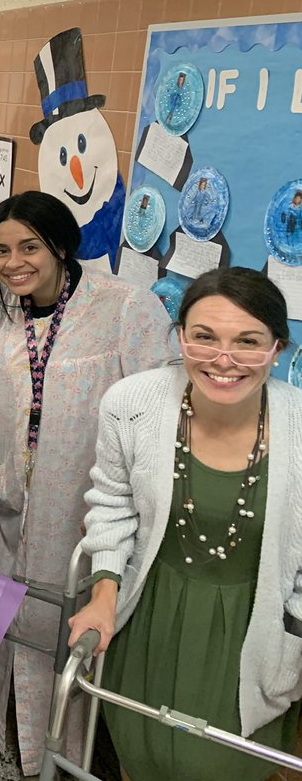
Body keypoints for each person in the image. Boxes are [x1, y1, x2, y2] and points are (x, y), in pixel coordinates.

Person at [0, 190, 174, 776]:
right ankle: (7, 725)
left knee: (65, 619)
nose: (13, 262)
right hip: (7, 491)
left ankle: (64, 750)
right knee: (8, 609)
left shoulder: (124, 306)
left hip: (82, 501)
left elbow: (159, 398)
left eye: (30, 247)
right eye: (1, 250)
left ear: (62, 245)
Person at [69, 268, 302, 781]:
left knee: (225, 765)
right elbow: (111, 503)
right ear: (179, 337)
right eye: (204, 337)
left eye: (247, 341)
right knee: (140, 756)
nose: (223, 360)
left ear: (278, 348)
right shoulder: (131, 404)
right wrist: (105, 593)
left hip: (253, 632)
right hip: (148, 619)